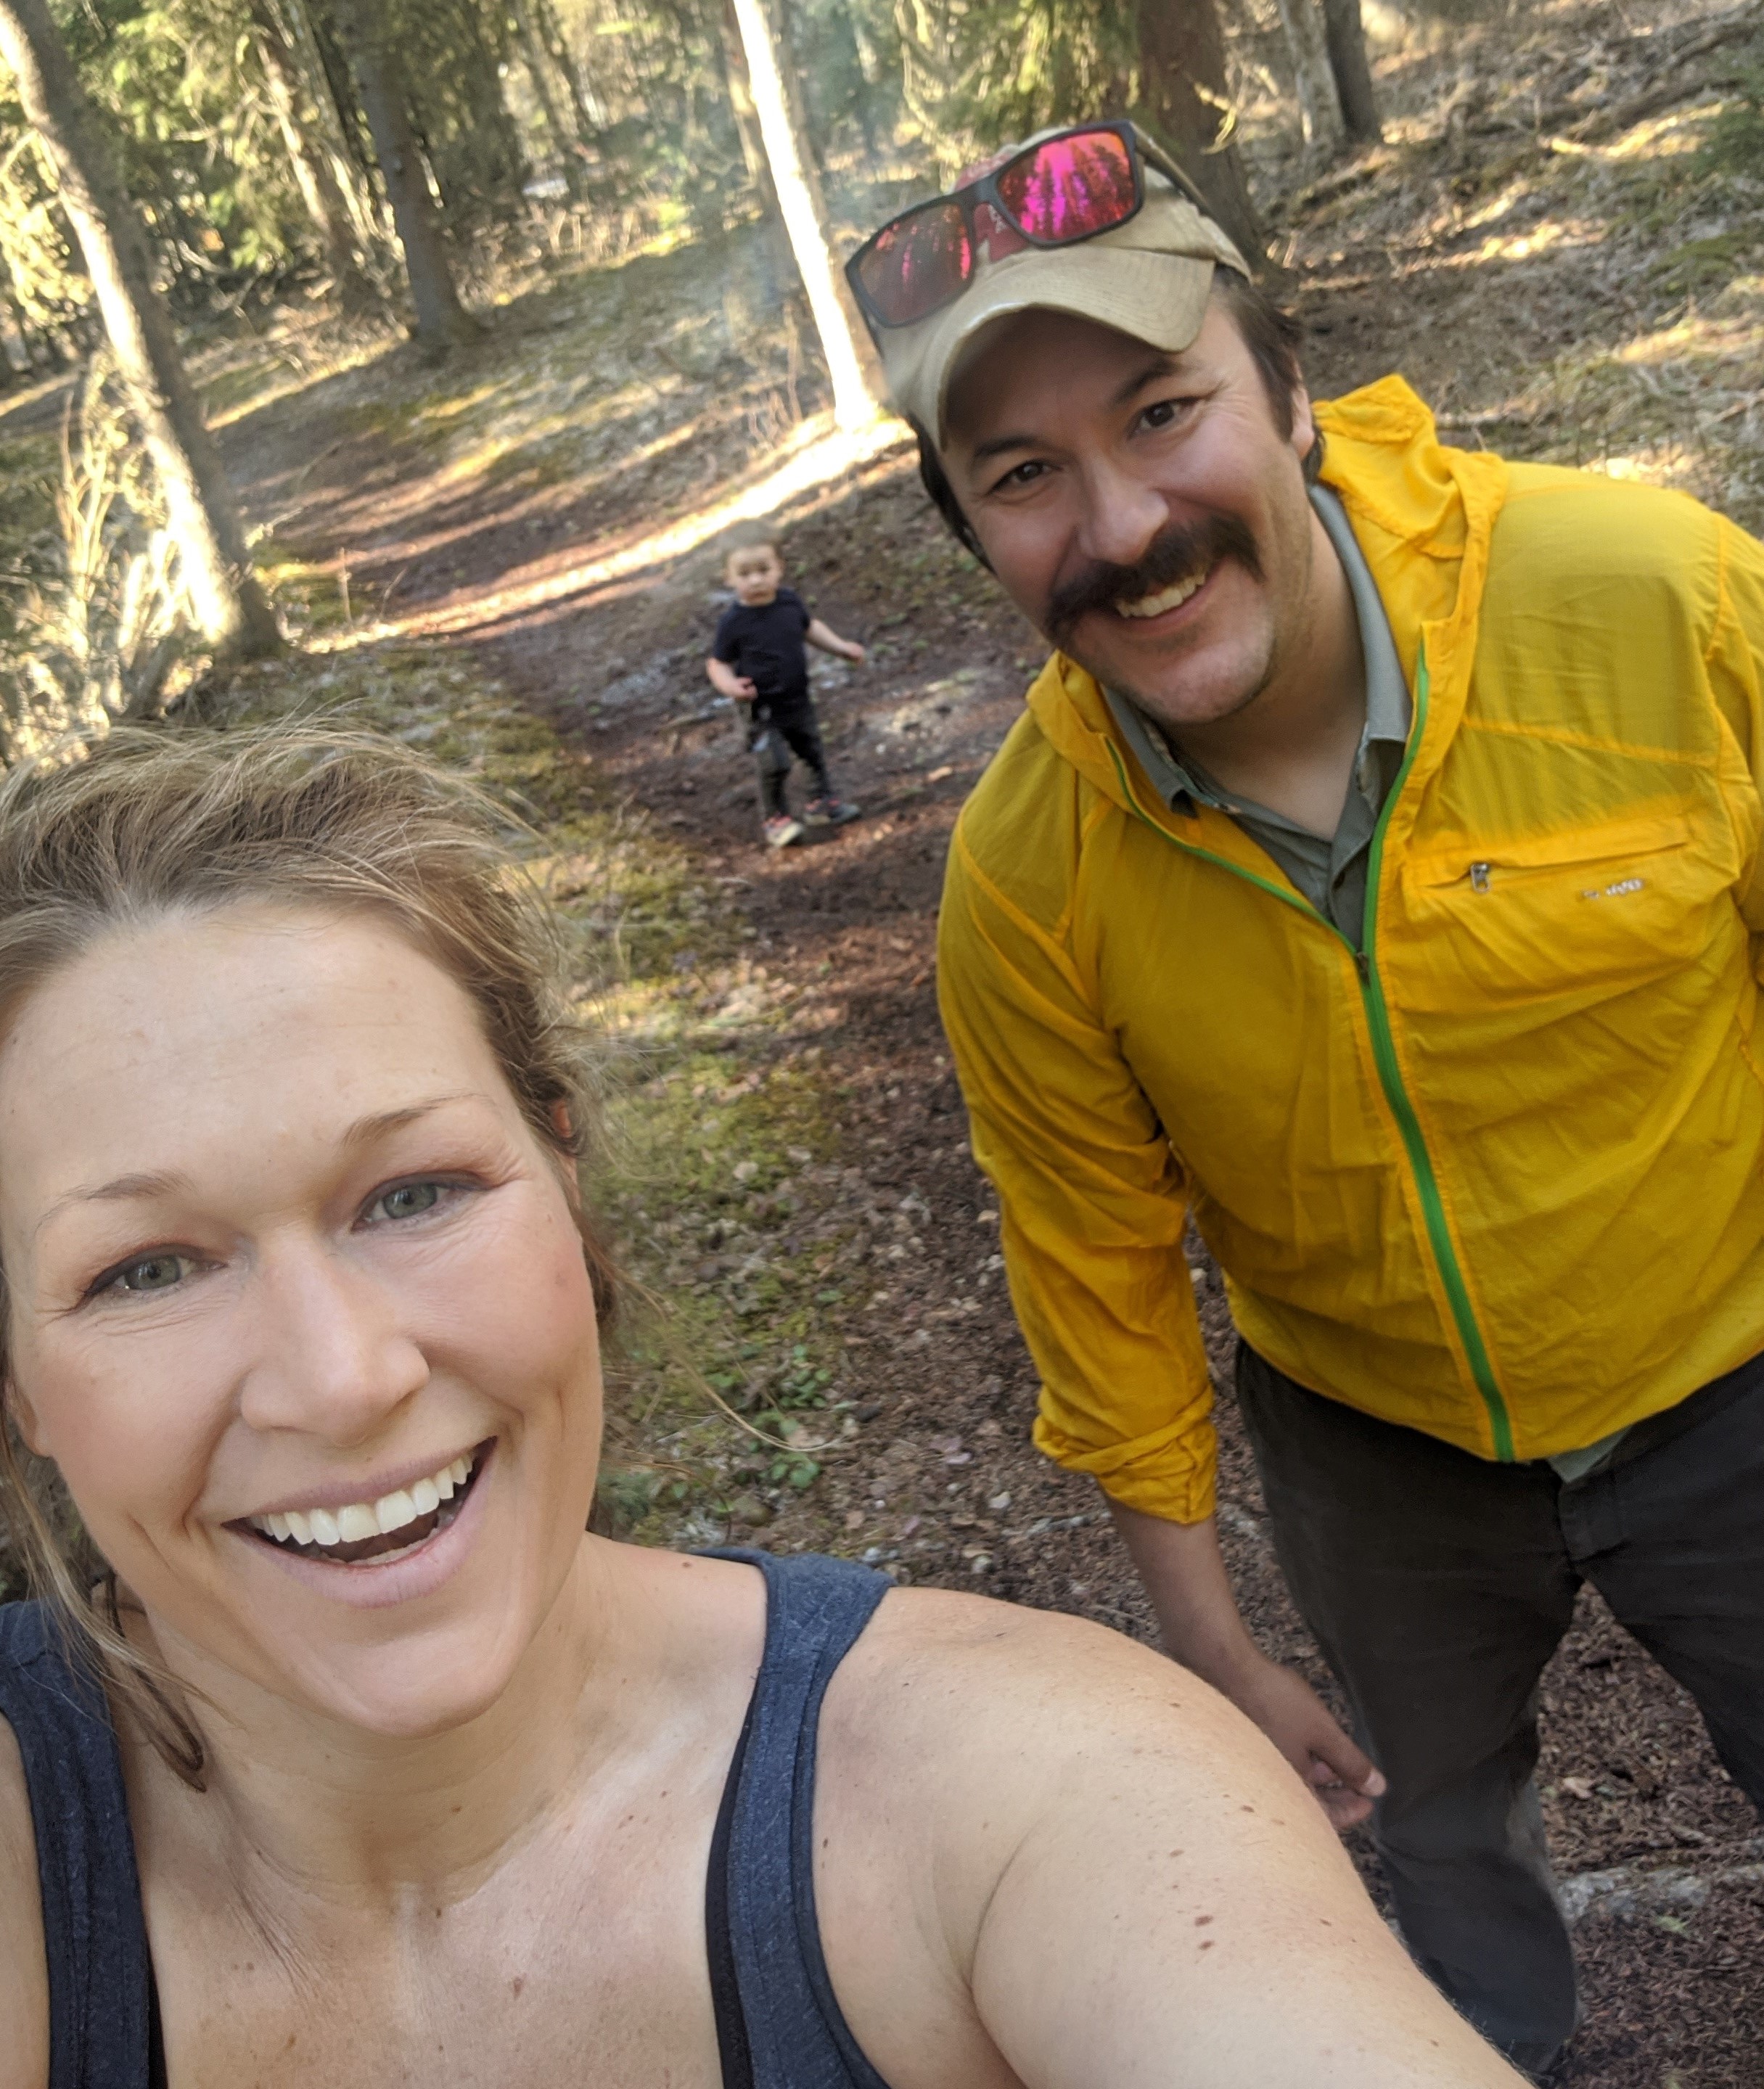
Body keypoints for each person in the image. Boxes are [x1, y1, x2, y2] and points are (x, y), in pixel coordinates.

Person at [0, 723, 1522, 2088]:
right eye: (146, 1269)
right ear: (19, 1376)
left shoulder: (1025, 1789)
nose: (342, 1377)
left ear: (567, 1179)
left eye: (414, 1190)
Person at [848, 118, 1764, 2077]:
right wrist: (1212, 1643)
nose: (1118, 526)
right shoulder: (1027, 874)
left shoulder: (1648, 605)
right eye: (1020, 475)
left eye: (1160, 409)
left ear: (1290, 393)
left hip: (1730, 1360)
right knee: (1428, 1840)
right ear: (971, 532)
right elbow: (1089, 1265)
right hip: (1370, 1448)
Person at [706, 536, 863, 848]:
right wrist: (730, 686)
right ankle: (776, 819)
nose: (756, 579)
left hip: (796, 698)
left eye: (764, 569)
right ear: (729, 578)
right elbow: (717, 662)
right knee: (773, 763)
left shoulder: (789, 602)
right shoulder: (734, 622)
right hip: (760, 708)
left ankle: (821, 803)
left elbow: (809, 628)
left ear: (780, 568)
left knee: (811, 751)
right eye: (744, 574)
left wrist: (842, 648)